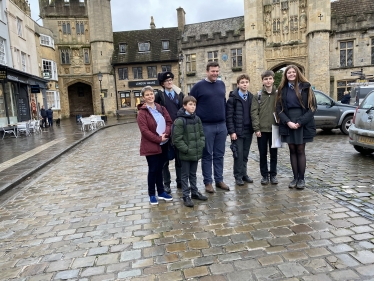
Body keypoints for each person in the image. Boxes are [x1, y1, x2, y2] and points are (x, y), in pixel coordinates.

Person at [275, 65, 317, 189]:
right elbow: (279, 109)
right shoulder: (282, 89)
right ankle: (295, 178)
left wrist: (300, 122)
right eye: (289, 73)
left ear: (297, 73)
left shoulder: (306, 87)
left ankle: (301, 179)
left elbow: (313, 108)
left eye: (293, 72)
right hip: (288, 121)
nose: (291, 74)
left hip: (302, 121)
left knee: (300, 150)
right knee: (292, 150)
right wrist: (288, 122)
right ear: (286, 75)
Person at [190, 62, 229, 193]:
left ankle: (219, 180)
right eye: (213, 71)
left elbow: (223, 102)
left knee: (219, 155)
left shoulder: (221, 84)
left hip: (221, 125)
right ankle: (208, 182)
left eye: (217, 71)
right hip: (206, 126)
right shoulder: (198, 87)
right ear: (207, 71)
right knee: (207, 155)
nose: (215, 74)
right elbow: (190, 104)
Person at [137, 86, 173, 205]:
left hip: (164, 144)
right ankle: (152, 194)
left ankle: (161, 192)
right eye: (147, 95)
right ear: (143, 97)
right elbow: (145, 131)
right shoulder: (142, 113)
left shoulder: (161, 108)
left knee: (160, 168)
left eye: (151, 94)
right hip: (151, 145)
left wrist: (166, 134)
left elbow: (169, 122)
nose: (150, 96)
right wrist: (158, 139)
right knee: (153, 170)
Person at [172, 96, 207, 207]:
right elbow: (177, 139)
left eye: (194, 104)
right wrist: (186, 149)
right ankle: (186, 195)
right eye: (190, 104)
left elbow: (201, 134)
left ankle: (194, 192)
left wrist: (201, 145)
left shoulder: (197, 119)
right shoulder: (180, 121)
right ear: (184, 106)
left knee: (193, 174)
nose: (192, 107)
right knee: (185, 175)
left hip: (195, 152)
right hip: (186, 154)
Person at [155, 71, 184, 193]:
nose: (170, 82)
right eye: (167, 81)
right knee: (164, 161)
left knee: (179, 158)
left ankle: (180, 181)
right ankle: (166, 184)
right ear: (162, 83)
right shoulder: (159, 96)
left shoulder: (179, 94)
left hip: (178, 131)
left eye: (171, 80)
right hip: (165, 131)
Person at [251, 70, 279, 185]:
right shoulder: (257, 96)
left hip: (275, 129)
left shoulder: (278, 94)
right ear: (262, 81)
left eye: (270, 78)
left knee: (274, 154)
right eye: (265, 79)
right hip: (262, 130)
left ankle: (273, 175)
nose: (268, 81)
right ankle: (264, 176)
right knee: (262, 154)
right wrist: (256, 128)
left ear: (273, 79)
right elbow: (254, 113)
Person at [226, 74, 254, 186]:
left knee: (245, 154)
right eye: (242, 82)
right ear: (238, 84)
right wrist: (232, 131)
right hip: (237, 131)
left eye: (246, 82)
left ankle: (244, 174)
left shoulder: (251, 97)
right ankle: (238, 176)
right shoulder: (233, 98)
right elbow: (229, 116)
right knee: (238, 154)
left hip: (248, 130)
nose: (244, 84)